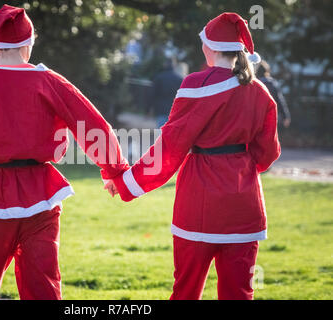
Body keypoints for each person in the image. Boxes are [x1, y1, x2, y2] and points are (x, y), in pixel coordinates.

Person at [0, 4, 128, 300]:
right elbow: (93, 125)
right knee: (44, 289)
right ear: (29, 43)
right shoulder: (48, 81)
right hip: (41, 197)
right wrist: (115, 172)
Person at [105, 12, 281, 300]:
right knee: (239, 293)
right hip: (244, 206)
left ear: (208, 47)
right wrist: (242, 165)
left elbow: (169, 150)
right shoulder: (259, 91)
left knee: (185, 291)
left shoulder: (195, 85)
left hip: (197, 205)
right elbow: (268, 154)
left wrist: (125, 183)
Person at [256, 60, 291, 128]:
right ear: (267, 71)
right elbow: (280, 101)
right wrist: (285, 116)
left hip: (258, 117)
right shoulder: (273, 84)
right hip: (272, 116)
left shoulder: (255, 85)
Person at [150, 60, 184, 128]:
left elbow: (152, 94)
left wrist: (149, 108)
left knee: (161, 133)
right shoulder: (180, 80)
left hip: (161, 109)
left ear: (164, 65)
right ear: (174, 66)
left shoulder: (159, 78)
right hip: (174, 110)